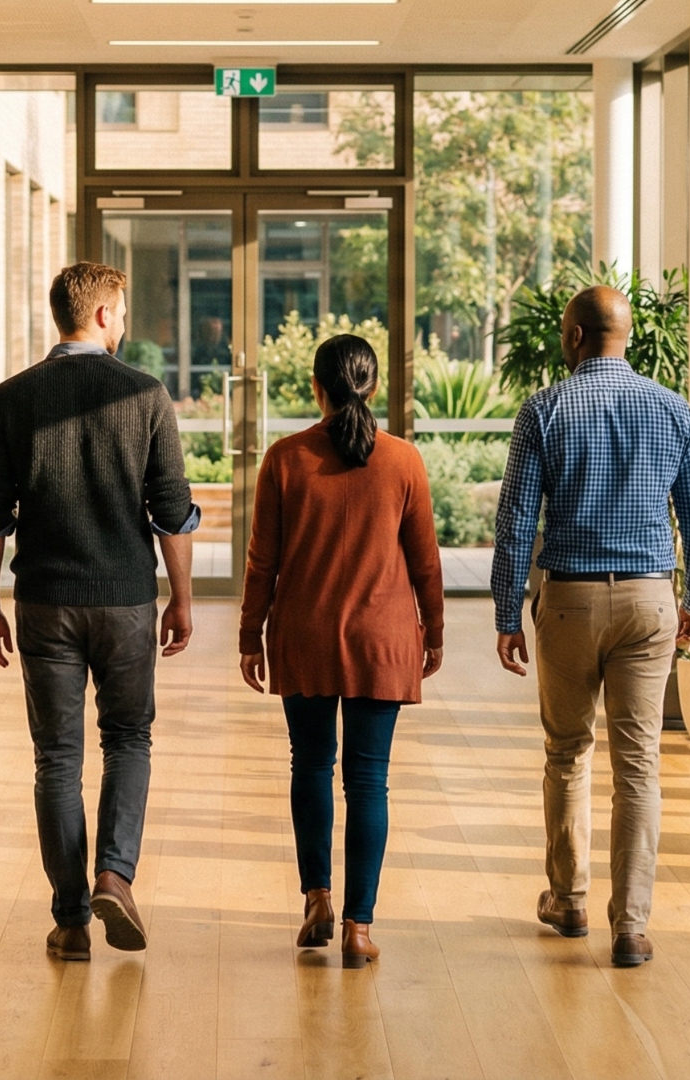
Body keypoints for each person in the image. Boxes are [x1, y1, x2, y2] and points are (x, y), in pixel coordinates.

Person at [0, 262, 200, 961]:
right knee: (128, 740)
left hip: (43, 601)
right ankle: (114, 876)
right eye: (122, 312)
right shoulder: (146, 394)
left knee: (57, 758)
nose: (124, 324)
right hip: (126, 599)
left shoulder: (12, 398)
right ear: (102, 314)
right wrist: (182, 597)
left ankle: (70, 919)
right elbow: (172, 513)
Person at [489, 286, 690, 969]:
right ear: (625, 336)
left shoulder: (546, 408)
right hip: (650, 602)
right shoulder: (672, 408)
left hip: (568, 601)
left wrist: (507, 612)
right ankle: (632, 924)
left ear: (575, 336)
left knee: (567, 752)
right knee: (639, 764)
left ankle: (570, 899)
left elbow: (514, 525)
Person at [237, 334, 444, 970]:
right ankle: (359, 928)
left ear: (316, 388)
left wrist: (249, 636)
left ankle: (317, 902)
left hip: (304, 636)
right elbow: (426, 563)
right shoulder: (404, 461)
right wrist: (433, 634)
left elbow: (261, 562)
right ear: (373, 387)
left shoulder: (285, 458)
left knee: (309, 767)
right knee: (368, 781)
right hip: (382, 641)